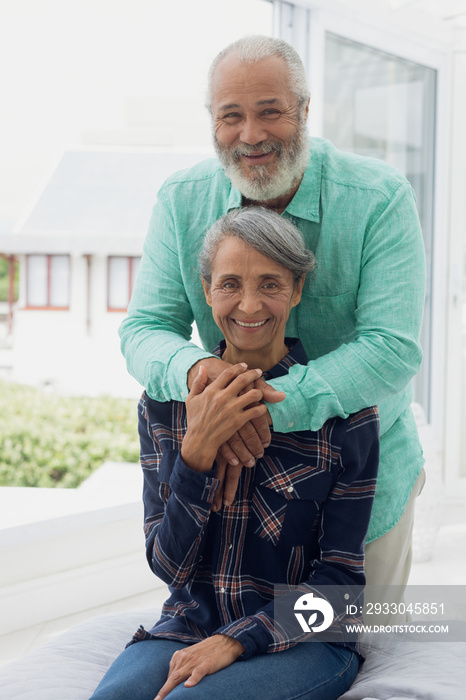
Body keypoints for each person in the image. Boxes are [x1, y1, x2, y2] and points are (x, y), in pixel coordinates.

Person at [119, 35, 426, 616]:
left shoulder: (379, 199)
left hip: (361, 486)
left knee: (342, 650)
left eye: (271, 111)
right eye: (230, 116)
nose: (251, 135)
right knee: (230, 650)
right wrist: (206, 376)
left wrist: (249, 409)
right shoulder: (182, 201)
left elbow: (390, 349)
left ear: (305, 111)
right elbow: (145, 330)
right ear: (212, 121)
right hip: (227, 493)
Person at [91, 207, 379, 700]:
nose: (249, 304)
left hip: (304, 641)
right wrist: (197, 452)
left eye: (271, 283)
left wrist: (237, 640)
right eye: (229, 284)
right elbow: (168, 569)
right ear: (206, 291)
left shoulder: (347, 416)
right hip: (186, 628)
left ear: (297, 290)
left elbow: (342, 588)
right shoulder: (164, 407)